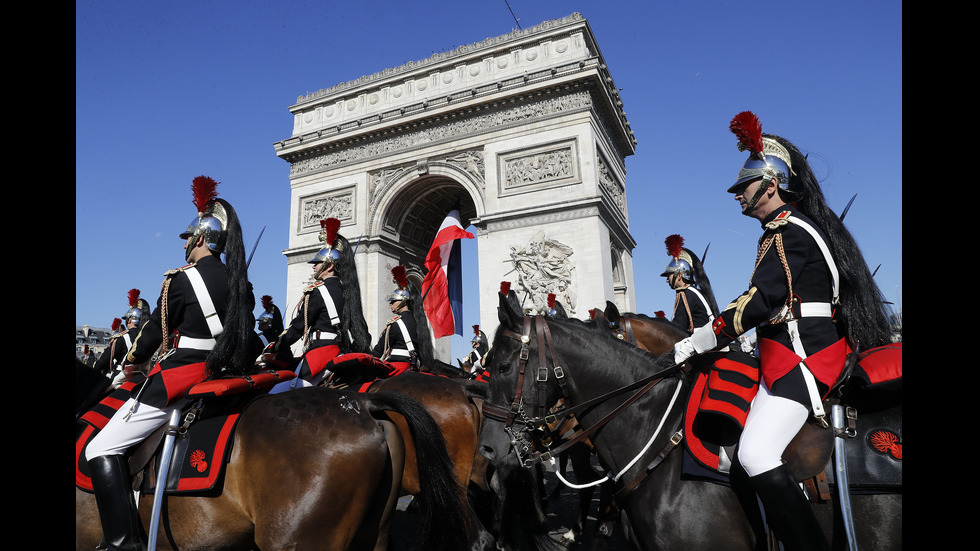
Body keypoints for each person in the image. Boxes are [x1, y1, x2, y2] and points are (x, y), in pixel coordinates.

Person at [671, 112, 893, 551]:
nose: (738, 195)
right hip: (783, 353)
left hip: (805, 358)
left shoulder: (790, 231)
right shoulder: (780, 232)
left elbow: (761, 301)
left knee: (755, 453)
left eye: (744, 187)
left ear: (770, 184)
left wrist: (700, 339)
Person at [84, 175, 256, 551]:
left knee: (99, 449)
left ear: (198, 239)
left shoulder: (180, 280)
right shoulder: (242, 282)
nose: (184, 246)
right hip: (228, 371)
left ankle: (120, 541)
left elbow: (151, 338)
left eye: (186, 239)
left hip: (184, 374)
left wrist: (132, 363)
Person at [267, 218, 371, 389]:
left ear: (330, 266)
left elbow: (298, 327)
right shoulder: (347, 291)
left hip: (321, 352)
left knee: (279, 391)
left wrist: (277, 346)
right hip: (339, 350)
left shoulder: (317, 291)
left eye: (317, 262)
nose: (313, 266)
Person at [372, 265, 433, 376]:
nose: (390, 304)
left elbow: (378, 351)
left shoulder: (395, 324)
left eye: (393, 301)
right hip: (413, 367)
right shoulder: (419, 323)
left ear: (403, 302)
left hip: (397, 366)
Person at [660, 234, 720, 333]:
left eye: (669, 275)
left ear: (679, 275)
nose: (667, 280)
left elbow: (678, 327)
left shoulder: (686, 294)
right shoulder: (692, 292)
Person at [95, 289, 152, 390]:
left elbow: (102, 362)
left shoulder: (122, 338)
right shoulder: (148, 335)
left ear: (130, 319)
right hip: (144, 380)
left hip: (120, 381)